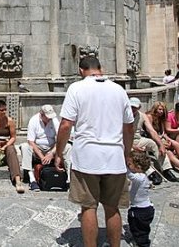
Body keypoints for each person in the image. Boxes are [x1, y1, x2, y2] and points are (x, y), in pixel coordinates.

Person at [55, 57, 134, 247]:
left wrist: (59, 152)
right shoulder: (118, 90)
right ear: (101, 68)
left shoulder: (77, 88)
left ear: (81, 70)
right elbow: (129, 127)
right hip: (114, 157)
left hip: (87, 158)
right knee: (112, 208)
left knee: (88, 207)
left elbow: (66, 125)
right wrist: (126, 152)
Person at [20, 104, 71, 191]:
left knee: (68, 146)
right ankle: (32, 180)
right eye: (47, 117)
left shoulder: (54, 120)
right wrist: (42, 157)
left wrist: (52, 153)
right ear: (41, 114)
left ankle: (69, 178)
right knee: (25, 147)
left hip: (51, 148)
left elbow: (60, 138)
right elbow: (31, 141)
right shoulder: (34, 120)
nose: (49, 119)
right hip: (38, 149)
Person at [129, 97, 179, 184]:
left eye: (135, 107)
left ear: (139, 107)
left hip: (138, 139)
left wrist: (161, 145)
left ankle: (166, 169)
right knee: (133, 151)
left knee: (153, 143)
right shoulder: (123, 115)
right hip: (126, 141)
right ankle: (151, 173)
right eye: (131, 107)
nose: (133, 109)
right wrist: (133, 146)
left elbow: (151, 131)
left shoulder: (142, 115)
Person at [126, 151, 154, 247]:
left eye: (129, 164)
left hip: (141, 210)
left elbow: (130, 175)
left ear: (138, 167)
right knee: (135, 225)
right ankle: (136, 238)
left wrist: (122, 166)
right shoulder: (143, 177)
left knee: (140, 230)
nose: (127, 165)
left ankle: (142, 244)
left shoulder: (140, 177)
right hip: (141, 208)